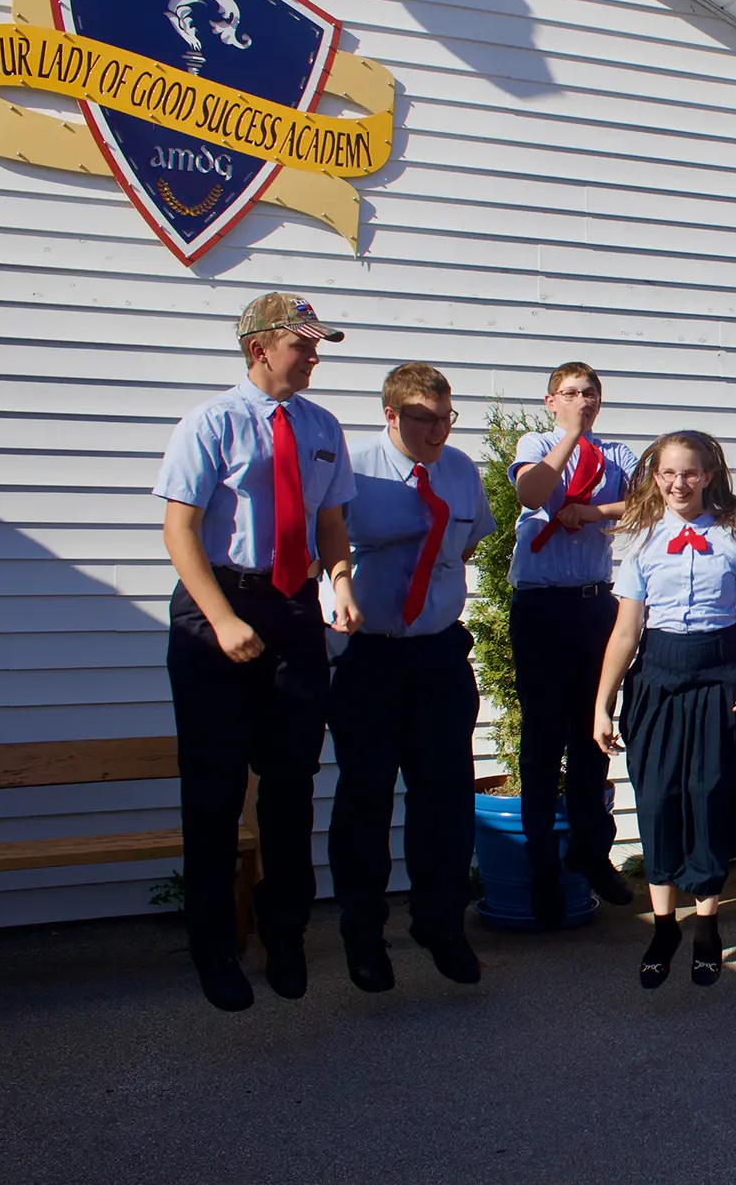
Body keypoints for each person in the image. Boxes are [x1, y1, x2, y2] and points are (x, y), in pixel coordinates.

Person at [154, 293, 360, 1011]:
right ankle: (214, 947)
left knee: (291, 783)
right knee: (213, 792)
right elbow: (179, 529)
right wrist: (220, 619)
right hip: (220, 605)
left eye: (316, 344)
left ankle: (286, 933)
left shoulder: (321, 426)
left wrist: (340, 583)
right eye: (302, 344)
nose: (313, 356)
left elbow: (331, 520)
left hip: (295, 610)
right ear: (259, 347)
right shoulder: (211, 423)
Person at [328, 363, 494, 993]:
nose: (439, 431)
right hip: (369, 655)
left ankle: (441, 924)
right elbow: (329, 545)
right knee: (365, 797)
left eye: (447, 417)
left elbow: (466, 543)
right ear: (391, 415)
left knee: (445, 795)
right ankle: (364, 935)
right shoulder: (354, 469)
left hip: (437, 655)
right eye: (425, 418)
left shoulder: (457, 469)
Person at [594, 431, 736, 989]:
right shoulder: (643, 542)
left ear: (708, 476)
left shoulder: (733, 541)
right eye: (668, 473)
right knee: (658, 796)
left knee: (711, 795)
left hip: (720, 673)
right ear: (655, 477)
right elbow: (626, 631)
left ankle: (706, 926)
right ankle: (664, 925)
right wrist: (602, 704)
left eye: (690, 473)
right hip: (659, 676)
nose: (678, 483)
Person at [507, 363, 638, 926]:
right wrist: (569, 438)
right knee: (542, 740)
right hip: (540, 603)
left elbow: (642, 508)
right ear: (551, 401)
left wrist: (594, 511)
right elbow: (532, 492)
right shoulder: (537, 442)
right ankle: (539, 869)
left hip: (592, 602)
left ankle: (591, 849)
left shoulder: (619, 455)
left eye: (590, 394)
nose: (582, 400)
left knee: (593, 732)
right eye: (571, 393)